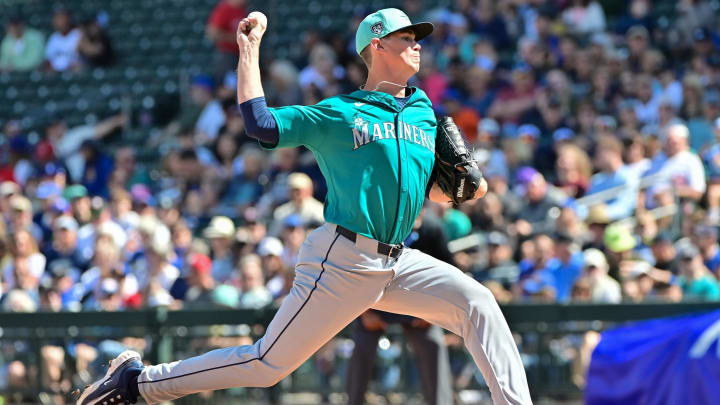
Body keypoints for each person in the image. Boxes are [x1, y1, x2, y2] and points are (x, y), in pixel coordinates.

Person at [76, 8, 532, 405]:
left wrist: (464, 188)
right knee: (266, 363)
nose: (417, 46)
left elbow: (428, 188)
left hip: (400, 259)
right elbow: (261, 124)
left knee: (479, 304)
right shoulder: (341, 112)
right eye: (406, 38)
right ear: (377, 45)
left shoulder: (422, 112)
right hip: (345, 258)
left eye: (417, 40)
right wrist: (249, 51)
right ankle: (138, 384)